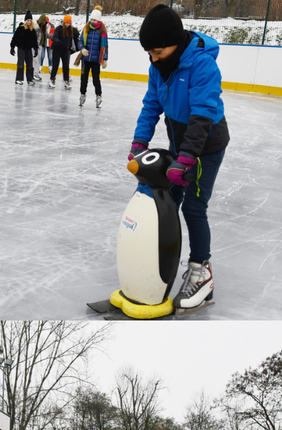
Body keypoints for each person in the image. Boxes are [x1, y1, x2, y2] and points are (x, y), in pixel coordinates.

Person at [131, 4, 228, 313]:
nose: (154, 59)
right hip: (180, 143)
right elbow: (151, 105)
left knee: (195, 208)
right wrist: (139, 141)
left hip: (205, 146)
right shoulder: (158, 65)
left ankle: (202, 271)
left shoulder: (201, 64)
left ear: (176, 42)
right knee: (165, 199)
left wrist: (186, 157)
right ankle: (156, 259)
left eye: (158, 51)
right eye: (149, 53)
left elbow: (202, 115)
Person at [76, 7, 108, 108]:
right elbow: (80, 41)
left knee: (95, 79)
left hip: (96, 59)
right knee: (83, 78)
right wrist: (82, 49)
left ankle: (99, 96)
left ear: (99, 20)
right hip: (85, 59)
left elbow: (105, 45)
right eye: (92, 19)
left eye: (95, 20)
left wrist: (105, 59)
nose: (93, 22)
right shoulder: (86, 28)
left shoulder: (102, 30)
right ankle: (82, 94)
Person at [49, 15, 78, 89]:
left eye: (69, 23)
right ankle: (52, 79)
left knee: (66, 65)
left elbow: (77, 36)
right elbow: (54, 37)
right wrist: (58, 42)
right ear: (64, 22)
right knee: (55, 65)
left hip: (66, 50)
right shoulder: (59, 28)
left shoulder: (72, 30)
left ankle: (66, 80)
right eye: (66, 23)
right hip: (57, 49)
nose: (67, 24)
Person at [10, 15, 39, 86]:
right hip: (21, 48)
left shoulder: (32, 30)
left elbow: (35, 40)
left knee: (30, 64)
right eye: (28, 20)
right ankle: (19, 79)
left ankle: (30, 79)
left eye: (30, 20)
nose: (29, 22)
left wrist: (36, 49)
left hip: (28, 49)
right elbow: (15, 38)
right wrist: (12, 47)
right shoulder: (20, 28)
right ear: (25, 21)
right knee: (20, 64)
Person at [37, 14, 53, 81]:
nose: (44, 23)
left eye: (45, 22)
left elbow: (47, 35)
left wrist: (55, 36)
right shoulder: (37, 27)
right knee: (41, 57)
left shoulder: (47, 27)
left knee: (50, 57)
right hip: (39, 45)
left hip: (46, 44)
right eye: (43, 22)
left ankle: (50, 67)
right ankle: (38, 69)